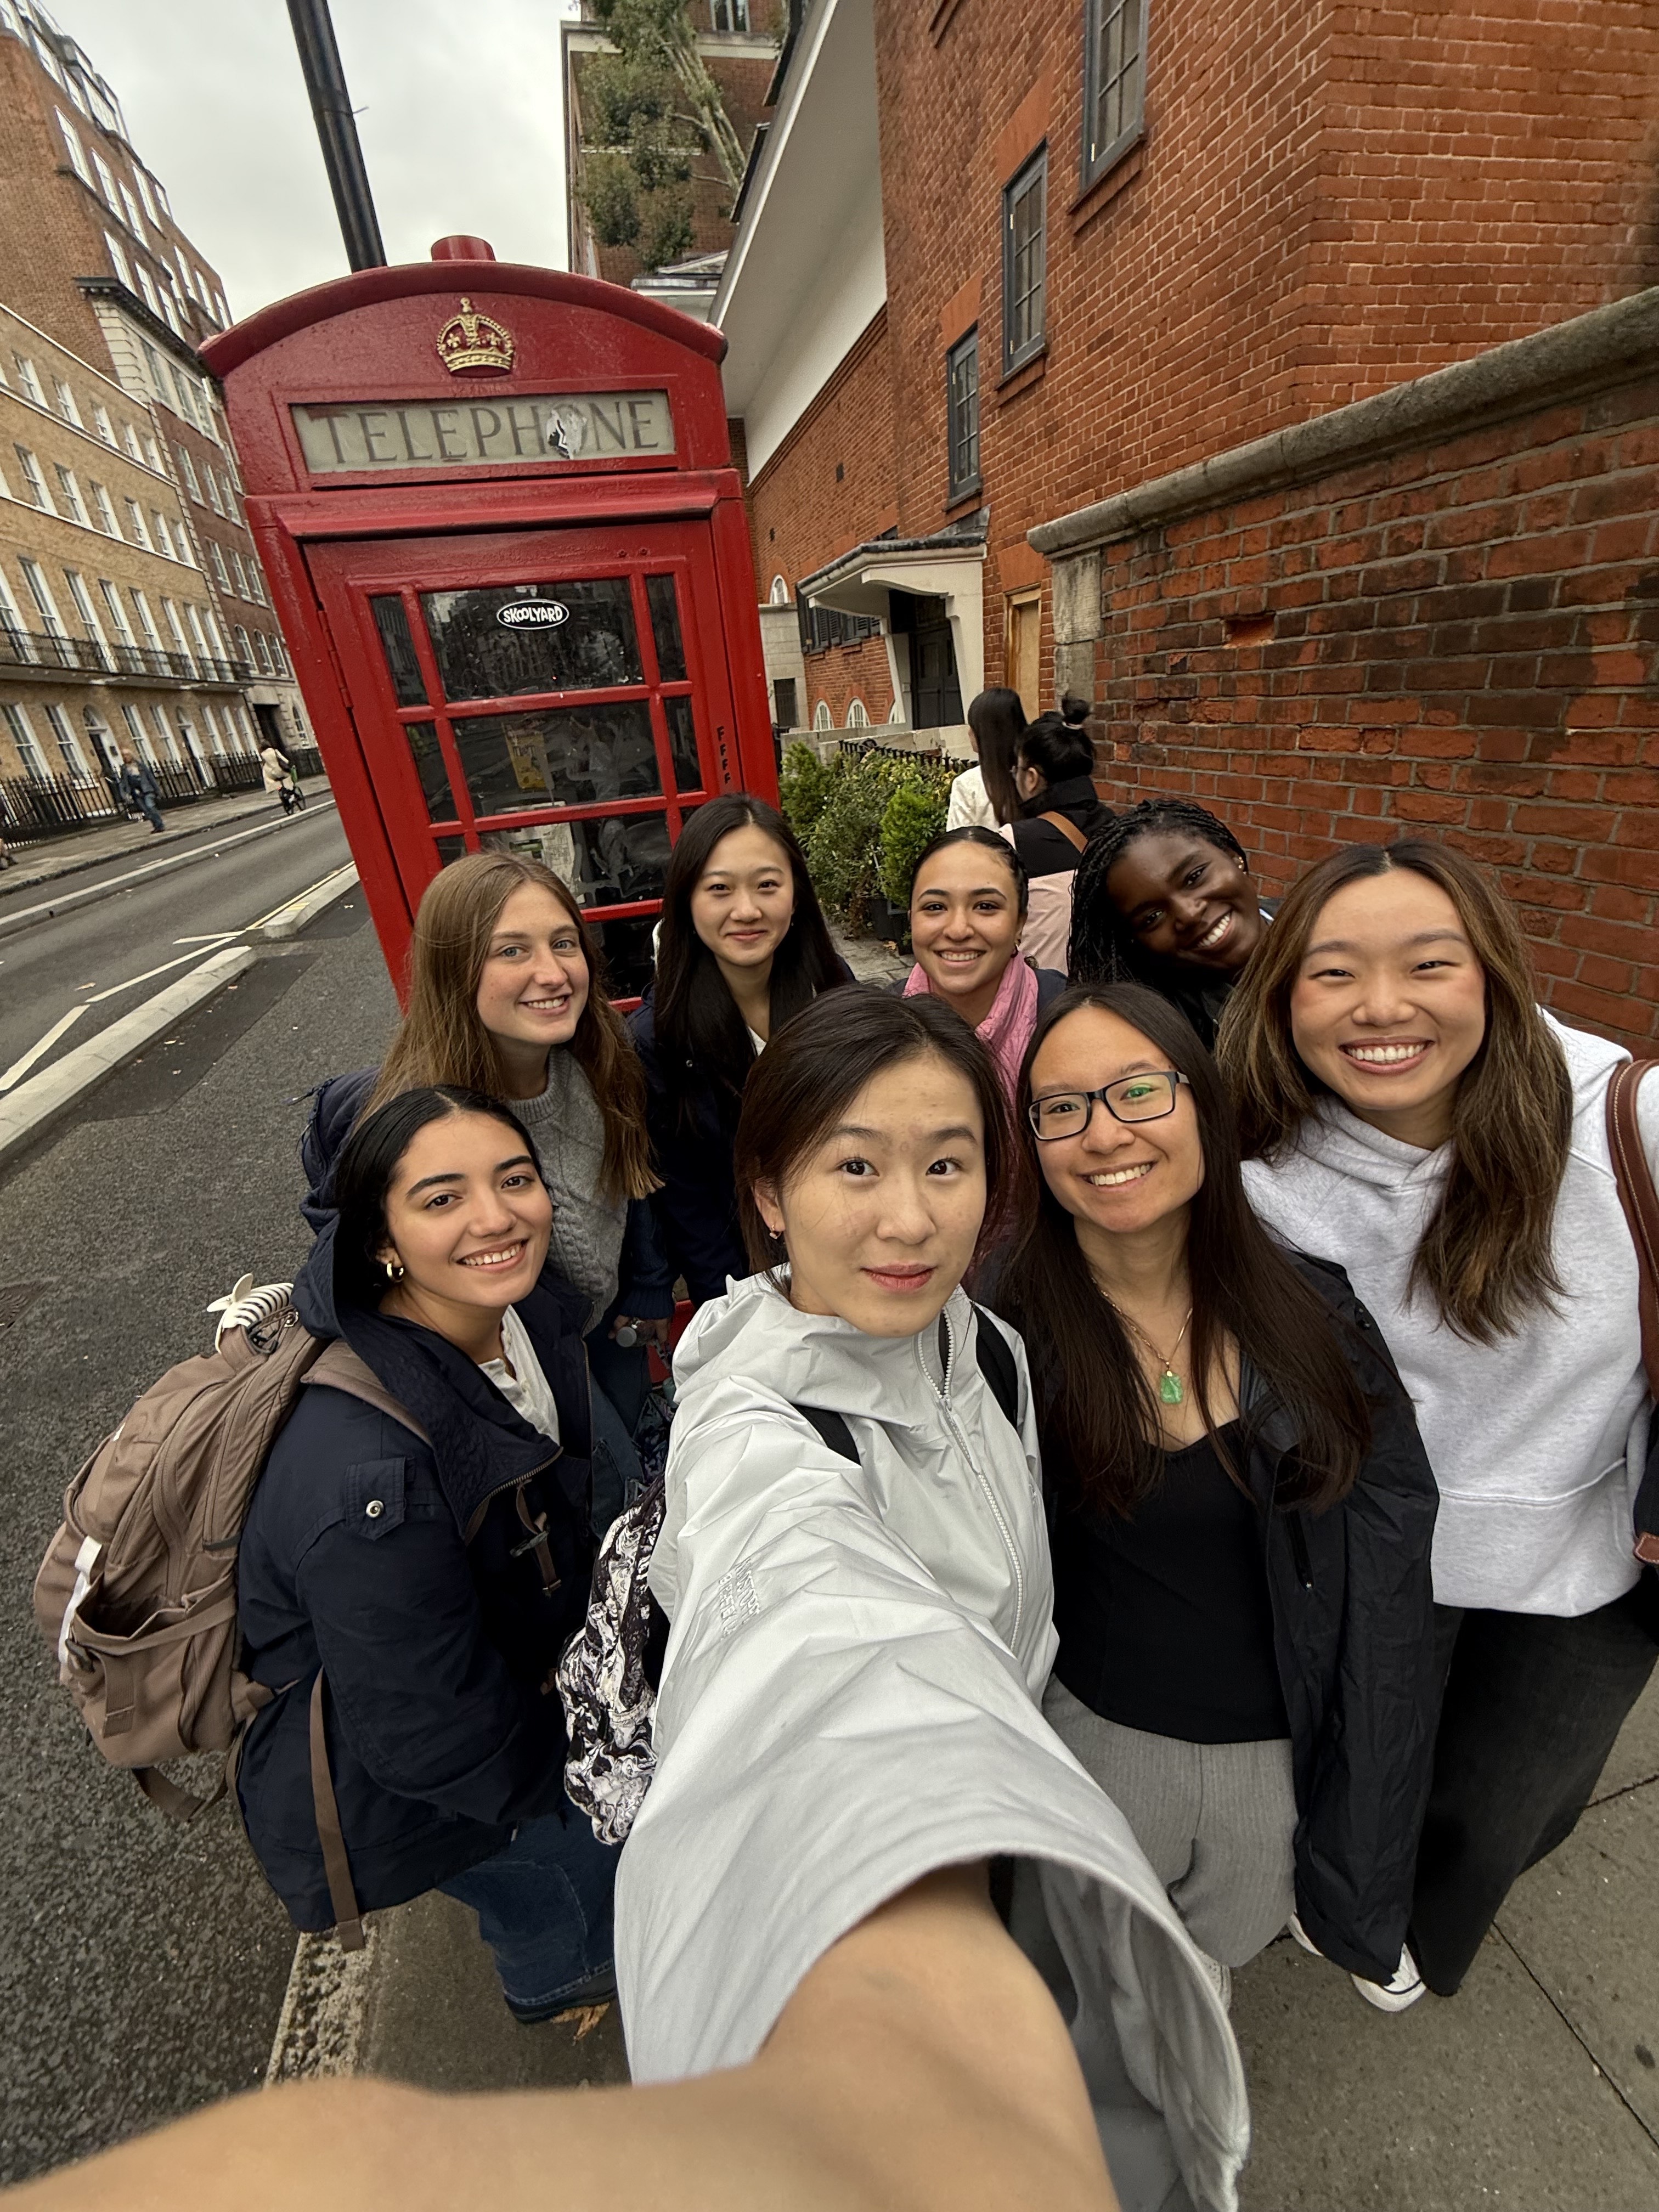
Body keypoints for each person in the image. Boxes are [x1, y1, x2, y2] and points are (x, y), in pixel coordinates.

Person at [618, 989, 1247, 2212]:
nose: (910, 1218)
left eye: (948, 1164)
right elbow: (812, 1640)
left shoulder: (985, 1340)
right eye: (854, 1165)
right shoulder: (752, 1435)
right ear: (766, 1191)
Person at [1220, 837, 1659, 2008]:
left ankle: (1422, 1926)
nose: (1381, 1008)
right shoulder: (1256, 1167)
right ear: (1283, 992)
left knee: (1511, 1807)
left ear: (1493, 975)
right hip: (1375, 1562)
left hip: (1582, 1566)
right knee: (1368, 1783)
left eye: (1427, 964)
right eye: (1332, 973)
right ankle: (1364, 1919)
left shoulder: (1623, 1122)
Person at [992, 981, 1440, 2011]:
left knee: (1210, 1970)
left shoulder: (1308, 1309)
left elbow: (1382, 1551)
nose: (1104, 1134)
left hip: (1269, 1756)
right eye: (1060, 1108)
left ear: (1201, 1102)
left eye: (1138, 1092)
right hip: (1091, 1742)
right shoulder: (1002, 1336)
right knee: (1088, 1991)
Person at [9, 1870, 1130, 2212]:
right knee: (539, 1906)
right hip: (468, 1787)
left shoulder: (505, 1338)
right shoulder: (365, 1469)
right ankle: (553, 1979)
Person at [238, 1086, 618, 2022]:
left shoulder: (516, 1318)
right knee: (563, 1892)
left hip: (495, 1691)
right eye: (442, 1197)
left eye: (514, 1179)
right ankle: (560, 1982)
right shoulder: (370, 1476)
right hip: (412, 1796)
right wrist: (579, 1786)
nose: (495, 1216)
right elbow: (434, 1741)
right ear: (380, 1239)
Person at [302, 851, 669, 1532]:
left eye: (564, 943)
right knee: (602, 1504)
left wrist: (646, 1288)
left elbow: (632, 1173)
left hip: (607, 1325)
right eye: (512, 951)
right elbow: (357, 1288)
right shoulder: (418, 1121)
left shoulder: (600, 1059)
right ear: (457, 971)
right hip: (512, 1354)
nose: (552, 973)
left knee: (646, 1474)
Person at [632, 793, 848, 1305]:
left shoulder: (835, 991)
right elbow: (686, 1198)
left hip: (845, 1255)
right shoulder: (657, 1037)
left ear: (796, 895)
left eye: (767, 886)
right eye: (720, 889)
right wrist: (735, 1306)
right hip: (741, 1279)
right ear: (688, 901)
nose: (746, 910)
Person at [1070, 800, 1273, 1048]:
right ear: (1138, 943)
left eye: (1194, 877)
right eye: (1152, 917)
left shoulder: (1323, 921)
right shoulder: (1170, 1040)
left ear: (1234, 857)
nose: (1189, 914)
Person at [904, 828, 1065, 1099]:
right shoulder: (879, 1027)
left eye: (986, 906)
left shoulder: (1068, 1018)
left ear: (1019, 923)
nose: (958, 930)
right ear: (911, 919)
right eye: (935, 907)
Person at [946, 685, 1026, 831]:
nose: (969, 732)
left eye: (973, 726)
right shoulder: (1036, 776)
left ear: (985, 733)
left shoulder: (967, 785)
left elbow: (960, 843)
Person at [117, 748, 165, 834]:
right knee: (146, 811)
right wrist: (126, 794)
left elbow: (150, 777)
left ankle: (160, 825)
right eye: (123, 755)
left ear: (131, 755)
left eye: (127, 755)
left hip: (147, 790)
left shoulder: (140, 765)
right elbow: (124, 782)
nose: (125, 757)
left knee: (150, 806)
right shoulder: (124, 769)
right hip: (136, 793)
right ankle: (156, 826)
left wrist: (157, 790)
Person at [262, 738, 300, 814]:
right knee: (289, 777)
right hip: (281, 771)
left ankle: (283, 795)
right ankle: (292, 793)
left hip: (272, 774)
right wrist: (288, 763)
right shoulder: (274, 751)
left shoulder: (262, 755)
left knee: (279, 786)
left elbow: (264, 765)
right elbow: (284, 760)